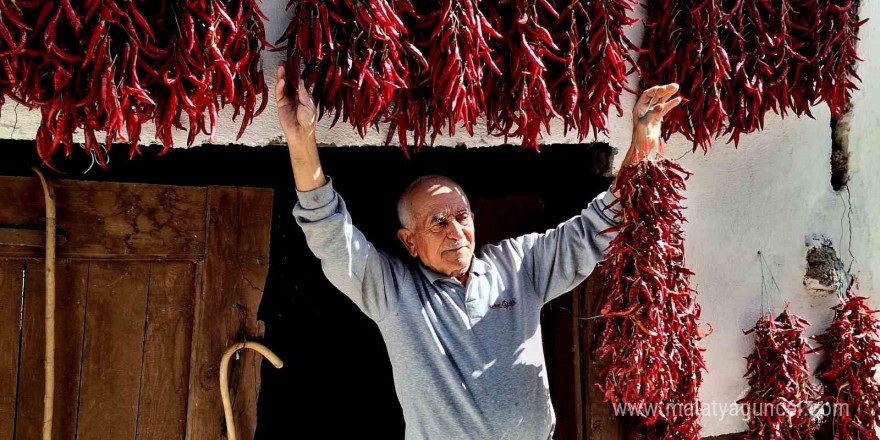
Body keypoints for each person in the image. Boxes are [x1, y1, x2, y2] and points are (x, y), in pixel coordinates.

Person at [276, 63, 682, 439]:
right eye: (438, 222)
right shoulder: (393, 293)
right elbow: (330, 231)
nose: (456, 231)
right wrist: (301, 140)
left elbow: (598, 224)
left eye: (462, 216)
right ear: (409, 240)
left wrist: (644, 136)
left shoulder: (518, 265)